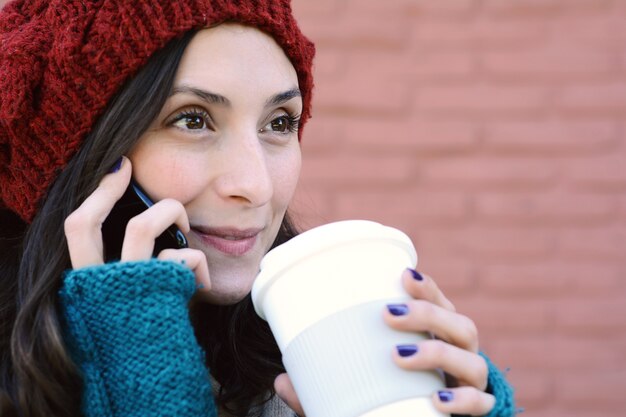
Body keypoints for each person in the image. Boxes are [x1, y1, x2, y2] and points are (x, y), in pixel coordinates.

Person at [0, 1, 516, 416]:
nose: (257, 185)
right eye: (193, 120)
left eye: (279, 123)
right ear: (78, 160)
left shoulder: (304, 367)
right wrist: (144, 373)